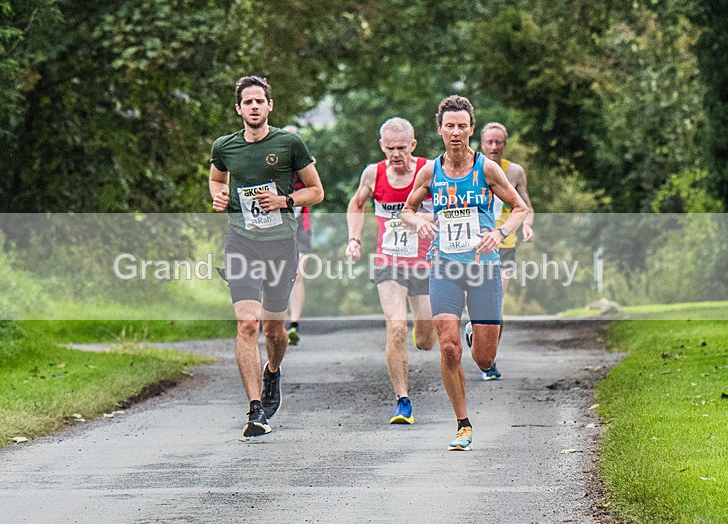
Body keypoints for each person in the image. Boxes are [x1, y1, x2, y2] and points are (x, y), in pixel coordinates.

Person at [401, 96, 528, 450]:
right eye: (449, 126)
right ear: (439, 129)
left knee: (484, 359)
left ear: (471, 129)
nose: (455, 132)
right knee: (448, 348)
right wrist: (421, 224)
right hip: (444, 267)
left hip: (484, 268)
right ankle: (463, 424)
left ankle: (478, 332)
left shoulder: (487, 169)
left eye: (462, 126)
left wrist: (499, 234)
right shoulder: (430, 171)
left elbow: (519, 207)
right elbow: (407, 211)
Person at [209, 76, 324, 437]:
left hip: (280, 245)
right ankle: (255, 410)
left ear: (270, 106)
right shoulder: (225, 146)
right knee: (247, 323)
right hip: (241, 243)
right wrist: (219, 196)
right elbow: (216, 179)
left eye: (260, 101)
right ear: (239, 109)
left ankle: (272, 371)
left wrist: (285, 201)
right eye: (248, 102)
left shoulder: (289, 144)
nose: (255, 107)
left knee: (275, 330)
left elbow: (317, 192)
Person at [346, 117, 436, 425]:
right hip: (389, 260)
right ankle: (402, 401)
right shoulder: (374, 173)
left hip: (425, 261)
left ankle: (420, 328)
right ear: (382, 146)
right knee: (395, 327)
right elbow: (356, 204)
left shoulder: (429, 171)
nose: (395, 154)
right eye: (389, 148)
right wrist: (354, 240)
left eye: (401, 148)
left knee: (426, 340)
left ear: (413, 145)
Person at [463, 122, 536, 380]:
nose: (494, 147)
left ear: (505, 144)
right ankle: (475, 327)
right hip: (473, 245)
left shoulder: (514, 172)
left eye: (499, 143)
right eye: (489, 143)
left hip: (504, 246)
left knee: (496, 302)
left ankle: (489, 359)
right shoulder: (471, 169)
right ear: (481, 143)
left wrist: (526, 227)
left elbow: (526, 206)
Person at [286, 163, 315, 346]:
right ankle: (274, 323)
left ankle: (294, 325)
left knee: (297, 275)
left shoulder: (305, 170)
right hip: (277, 230)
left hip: (301, 231)